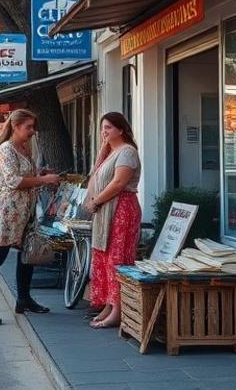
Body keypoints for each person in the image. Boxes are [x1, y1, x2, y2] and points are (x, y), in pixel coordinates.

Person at [0, 109, 60, 326]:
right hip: (6, 214)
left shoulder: (24, 148)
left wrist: (40, 174)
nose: (32, 131)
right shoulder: (6, 149)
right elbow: (14, 181)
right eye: (28, 127)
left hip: (23, 213)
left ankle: (24, 298)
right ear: (16, 126)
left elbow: (26, 175)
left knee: (27, 255)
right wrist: (44, 179)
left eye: (33, 127)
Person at [83, 112, 142, 329]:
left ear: (121, 129)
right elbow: (96, 178)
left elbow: (118, 183)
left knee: (117, 258)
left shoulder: (127, 152)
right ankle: (109, 305)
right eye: (102, 128)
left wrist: (96, 201)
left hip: (121, 209)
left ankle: (118, 310)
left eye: (108, 127)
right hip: (107, 209)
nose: (104, 132)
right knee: (105, 256)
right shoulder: (110, 151)